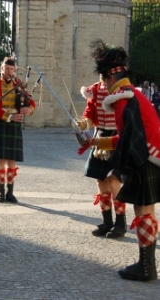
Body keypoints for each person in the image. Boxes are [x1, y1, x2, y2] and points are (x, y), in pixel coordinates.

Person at [88, 39, 160, 281]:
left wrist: (122, 169)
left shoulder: (121, 99)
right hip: (152, 154)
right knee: (147, 211)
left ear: (108, 77)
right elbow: (126, 136)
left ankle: (146, 268)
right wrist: (99, 142)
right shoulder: (133, 95)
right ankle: (147, 265)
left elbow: (131, 141)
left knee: (143, 211)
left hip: (145, 156)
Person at [78, 75, 126, 238]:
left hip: (116, 135)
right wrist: (84, 123)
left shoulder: (120, 90)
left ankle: (120, 223)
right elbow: (90, 113)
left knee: (114, 180)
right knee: (101, 180)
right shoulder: (95, 90)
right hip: (100, 134)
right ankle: (107, 222)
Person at [0, 56, 36, 203]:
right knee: (2, 159)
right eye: (7, 68)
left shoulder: (19, 85)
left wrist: (30, 109)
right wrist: (10, 117)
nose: (9, 71)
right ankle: (0, 192)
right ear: (2, 69)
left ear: (14, 70)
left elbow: (30, 101)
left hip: (14, 125)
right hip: (1, 123)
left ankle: (10, 192)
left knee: (12, 160)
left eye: (12, 69)